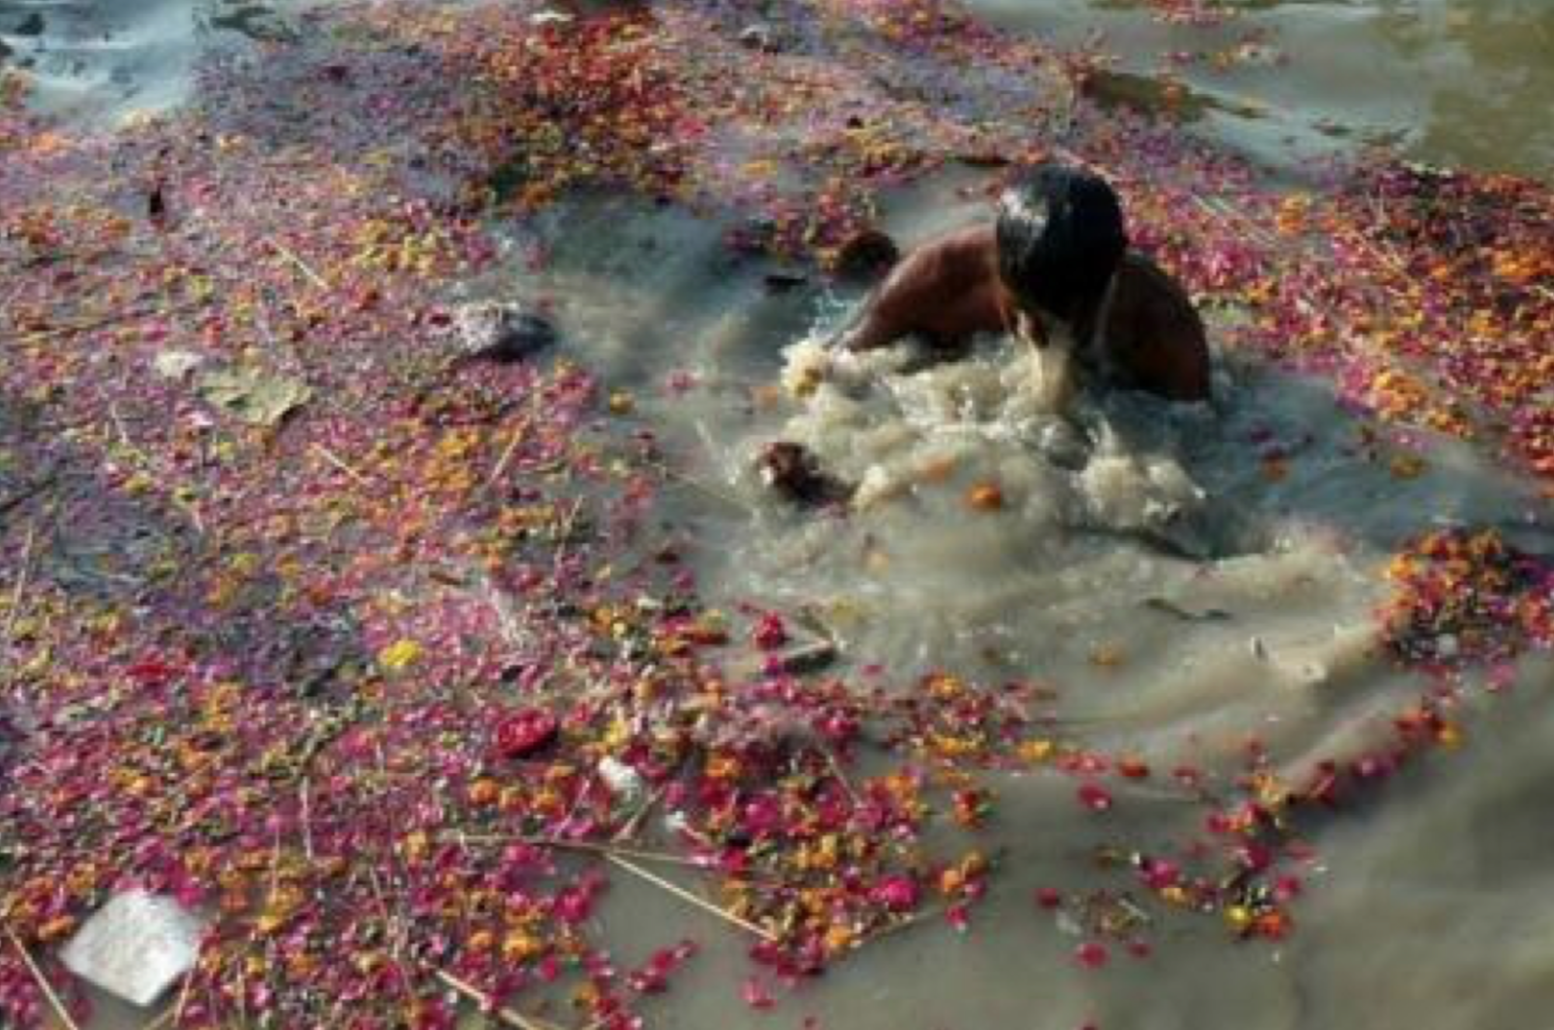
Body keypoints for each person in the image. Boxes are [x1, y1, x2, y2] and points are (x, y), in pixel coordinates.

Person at [837, 163, 1211, 403]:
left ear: (1113, 272)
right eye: (1030, 312)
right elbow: (835, 367)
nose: (1044, 335)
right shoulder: (938, 277)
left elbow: (1199, 437)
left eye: (1073, 315)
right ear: (998, 267)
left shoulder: (1166, 330)